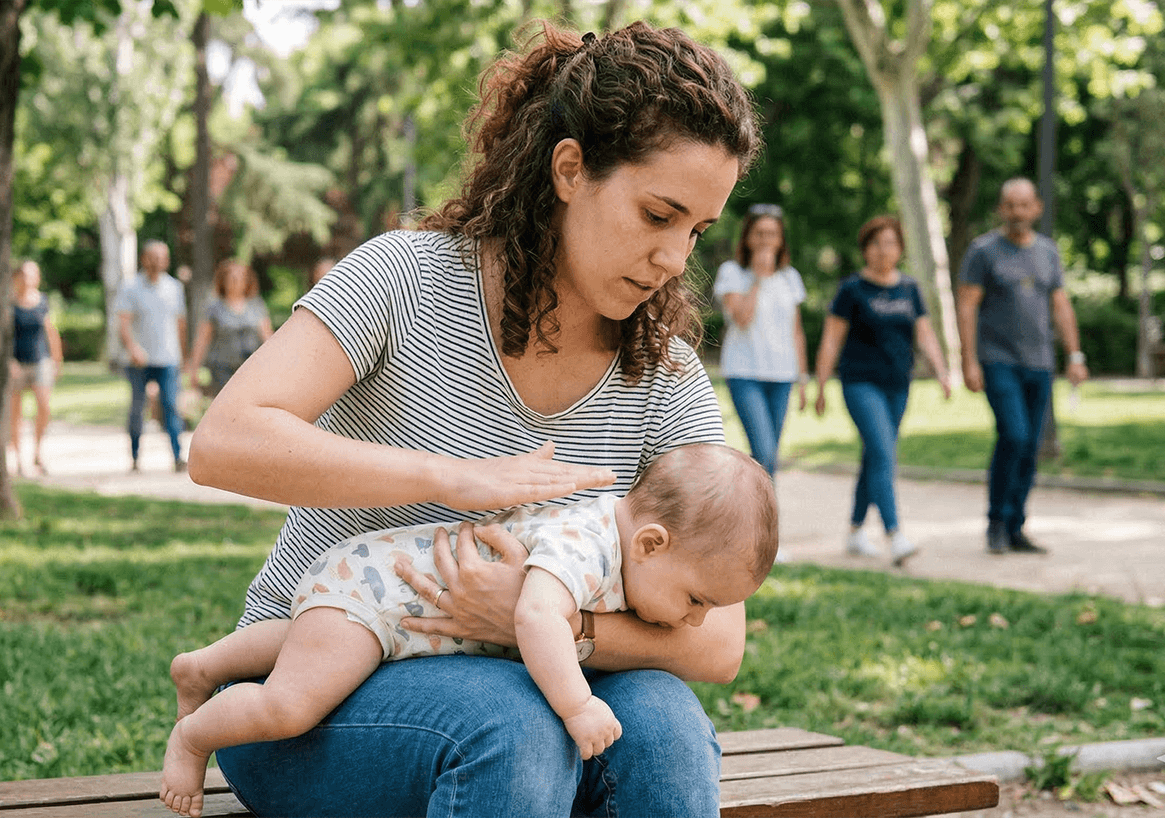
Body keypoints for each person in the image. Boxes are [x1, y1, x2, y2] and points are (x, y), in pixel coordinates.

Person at [184, 20, 762, 817]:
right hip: (305, 690)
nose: (675, 257)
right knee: (509, 726)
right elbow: (224, 441)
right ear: (571, 169)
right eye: (657, 214)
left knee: (666, 727)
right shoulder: (406, 279)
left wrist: (541, 619)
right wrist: (450, 478)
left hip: (537, 685)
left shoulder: (663, 377)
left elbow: (720, 641)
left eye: (696, 230)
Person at [160, 444, 778, 817]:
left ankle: (205, 665)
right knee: (290, 700)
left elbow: (720, 652)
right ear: (650, 543)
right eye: (696, 600)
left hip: (381, 599)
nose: (697, 620)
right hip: (378, 594)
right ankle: (194, 736)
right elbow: (535, 617)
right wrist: (578, 702)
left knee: (310, 638)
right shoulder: (585, 549)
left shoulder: (625, 537)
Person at [957, 178, 1088, 555]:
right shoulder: (983, 251)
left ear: (1037, 208)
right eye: (1010, 205)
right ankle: (996, 522)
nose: (1017, 212)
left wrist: (1075, 355)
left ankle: (1016, 526)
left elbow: (1060, 305)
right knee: (1013, 435)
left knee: (1030, 446)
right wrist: (968, 360)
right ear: (1001, 209)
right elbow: (967, 305)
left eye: (1024, 205)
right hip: (998, 360)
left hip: (1040, 362)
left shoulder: (1048, 252)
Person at [811, 216, 951, 566]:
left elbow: (924, 333)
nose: (883, 249)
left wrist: (943, 372)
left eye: (890, 242)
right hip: (860, 383)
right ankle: (895, 534)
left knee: (874, 456)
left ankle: (856, 530)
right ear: (865, 249)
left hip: (898, 385)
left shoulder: (909, 288)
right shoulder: (852, 290)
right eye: (875, 243)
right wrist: (821, 384)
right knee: (883, 453)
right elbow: (831, 339)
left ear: (900, 248)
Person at [712, 203, 808, 475]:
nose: (766, 240)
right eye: (760, 233)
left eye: (772, 234)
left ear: (781, 239)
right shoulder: (732, 272)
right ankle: (766, 516)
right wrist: (757, 277)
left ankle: (757, 514)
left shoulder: (790, 277)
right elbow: (741, 318)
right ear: (748, 237)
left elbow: (796, 330)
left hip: (782, 375)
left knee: (770, 457)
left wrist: (802, 376)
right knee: (764, 453)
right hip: (745, 372)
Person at [116, 240, 188, 473]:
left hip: (168, 359)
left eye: (162, 257)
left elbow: (180, 324)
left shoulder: (174, 287)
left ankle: (177, 456)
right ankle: (135, 457)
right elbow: (123, 323)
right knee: (137, 408)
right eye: (153, 257)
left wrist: (183, 355)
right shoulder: (130, 287)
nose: (158, 261)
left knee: (171, 407)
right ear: (144, 259)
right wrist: (133, 348)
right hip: (139, 361)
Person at [6, 261, 64, 476]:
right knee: (16, 413)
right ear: (16, 278)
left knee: (43, 406)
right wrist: (9, 361)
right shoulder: (9, 303)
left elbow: (50, 331)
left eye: (32, 275)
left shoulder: (43, 302)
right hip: (16, 362)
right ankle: (18, 458)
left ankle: (38, 453)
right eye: (24, 275)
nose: (28, 279)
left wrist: (57, 359)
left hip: (40, 360)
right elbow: (4, 335)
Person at [184, 259, 273, 397]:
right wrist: (193, 369)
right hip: (222, 369)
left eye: (239, 278)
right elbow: (202, 340)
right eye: (231, 278)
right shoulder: (214, 308)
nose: (235, 282)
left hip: (250, 367)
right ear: (223, 281)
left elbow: (267, 336)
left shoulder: (256, 305)